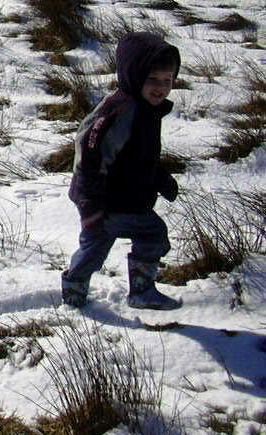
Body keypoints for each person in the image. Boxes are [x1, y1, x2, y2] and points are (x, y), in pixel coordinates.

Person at [61, 31, 183, 310]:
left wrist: (159, 177)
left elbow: (136, 157)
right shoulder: (122, 112)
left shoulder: (146, 109)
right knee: (111, 245)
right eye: (152, 79)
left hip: (127, 200)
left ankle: (126, 291)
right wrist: (91, 206)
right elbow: (90, 156)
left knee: (130, 240)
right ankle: (86, 291)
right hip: (105, 201)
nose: (160, 87)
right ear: (134, 75)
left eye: (167, 80)